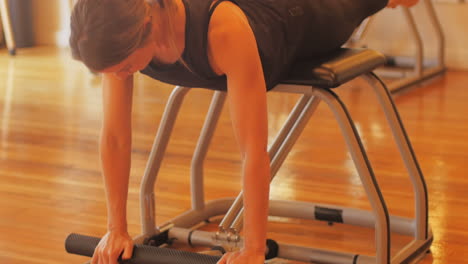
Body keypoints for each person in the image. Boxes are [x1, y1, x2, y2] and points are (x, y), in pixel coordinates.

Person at [69, 0, 419, 263]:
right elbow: (115, 136)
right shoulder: (116, 31)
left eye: (125, 67)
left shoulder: (221, 29)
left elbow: (253, 149)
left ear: (147, 24)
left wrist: (253, 247)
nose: (119, 76)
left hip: (296, 13)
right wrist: (116, 226)